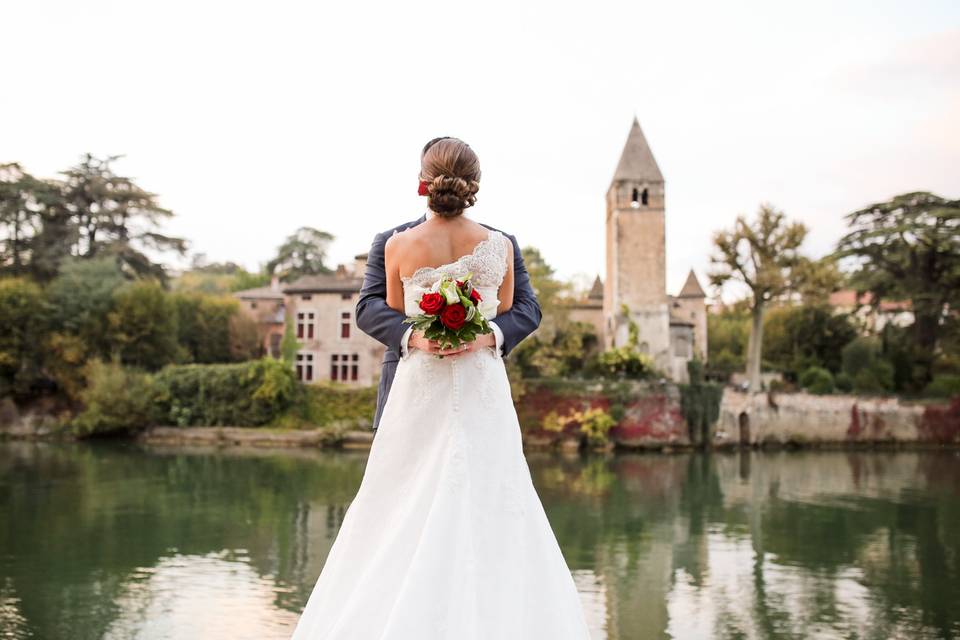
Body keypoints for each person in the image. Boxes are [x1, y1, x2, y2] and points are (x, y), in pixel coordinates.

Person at [290, 137, 592, 639]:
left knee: (449, 498)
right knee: (412, 502)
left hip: (429, 383)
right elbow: (375, 310)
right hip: (465, 384)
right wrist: (443, 336)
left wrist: (470, 336)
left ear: (423, 181)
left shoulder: (399, 246)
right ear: (475, 183)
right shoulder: (494, 244)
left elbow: (523, 312)